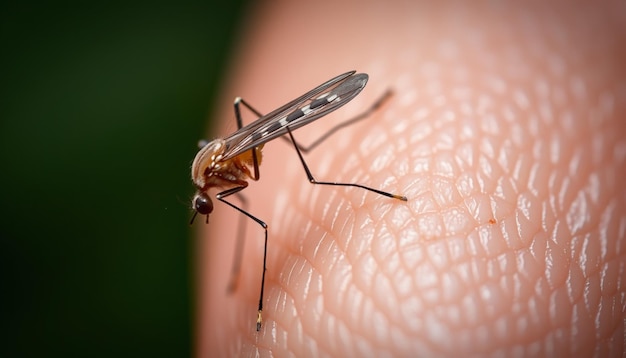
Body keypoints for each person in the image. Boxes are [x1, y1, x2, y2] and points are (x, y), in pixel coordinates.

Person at [196, 1, 626, 356]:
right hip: (241, 145)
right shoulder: (216, 176)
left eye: (205, 202)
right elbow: (238, 187)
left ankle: (373, 170)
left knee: (303, 177)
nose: (210, 204)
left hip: (250, 140)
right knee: (255, 169)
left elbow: (246, 194)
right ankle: (361, 122)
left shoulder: (219, 173)